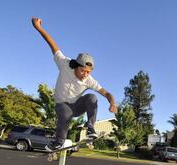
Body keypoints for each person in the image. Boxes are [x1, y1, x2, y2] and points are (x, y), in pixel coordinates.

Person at [31, 17, 118, 152]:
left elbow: (106, 93)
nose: (85, 74)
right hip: (61, 105)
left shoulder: (89, 80)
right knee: (65, 111)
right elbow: (52, 45)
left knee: (92, 97)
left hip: (77, 107)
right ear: (76, 66)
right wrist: (39, 28)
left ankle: (90, 128)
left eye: (88, 72)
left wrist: (112, 103)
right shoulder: (64, 63)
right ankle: (58, 141)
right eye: (83, 70)